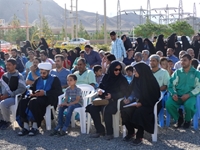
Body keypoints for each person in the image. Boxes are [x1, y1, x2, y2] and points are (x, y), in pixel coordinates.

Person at [16, 62, 63, 136]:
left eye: (44, 73)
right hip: (37, 97)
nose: (42, 75)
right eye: (41, 73)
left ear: (48, 72)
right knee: (23, 101)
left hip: (48, 98)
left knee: (34, 102)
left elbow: (58, 91)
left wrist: (45, 93)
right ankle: (25, 126)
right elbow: (32, 88)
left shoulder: (55, 79)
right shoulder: (38, 79)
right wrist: (31, 92)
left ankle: (35, 126)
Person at [86, 61, 129, 140]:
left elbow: (124, 92)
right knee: (92, 108)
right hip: (104, 99)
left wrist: (112, 96)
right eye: (116, 70)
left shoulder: (122, 79)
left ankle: (110, 132)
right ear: (111, 69)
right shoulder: (106, 76)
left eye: (119, 70)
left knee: (107, 110)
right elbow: (101, 86)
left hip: (115, 101)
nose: (117, 71)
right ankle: (100, 130)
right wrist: (99, 91)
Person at [121, 62, 160, 145]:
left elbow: (154, 96)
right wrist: (128, 99)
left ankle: (139, 136)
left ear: (142, 71)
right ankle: (131, 132)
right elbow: (131, 92)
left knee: (139, 112)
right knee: (124, 110)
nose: (134, 72)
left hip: (148, 105)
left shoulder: (150, 81)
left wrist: (142, 103)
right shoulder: (135, 80)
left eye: (136, 71)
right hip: (136, 102)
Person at [166, 54, 200, 129]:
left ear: (190, 61)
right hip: (178, 95)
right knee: (168, 104)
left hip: (190, 96)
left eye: (185, 60)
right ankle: (179, 119)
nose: (182, 62)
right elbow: (171, 84)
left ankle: (188, 120)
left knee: (189, 106)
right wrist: (174, 93)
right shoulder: (177, 72)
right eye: (181, 60)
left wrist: (189, 94)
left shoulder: (196, 73)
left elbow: (198, 87)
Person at [0, 59, 26, 129]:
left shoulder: (19, 76)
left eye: (9, 65)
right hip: (4, 96)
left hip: (15, 97)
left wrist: (9, 95)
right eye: (6, 65)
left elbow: (22, 89)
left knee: (3, 103)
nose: (7, 67)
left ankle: (7, 121)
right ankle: (1, 120)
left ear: (14, 66)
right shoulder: (4, 76)